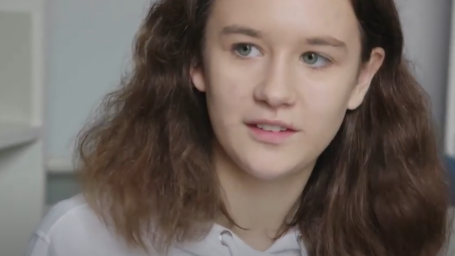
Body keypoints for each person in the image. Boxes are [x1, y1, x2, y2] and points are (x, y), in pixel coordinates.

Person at [27, 0, 451, 255]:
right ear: (196, 61)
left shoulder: (397, 240)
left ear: (362, 78)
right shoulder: (77, 240)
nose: (275, 91)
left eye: (314, 58)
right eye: (245, 49)